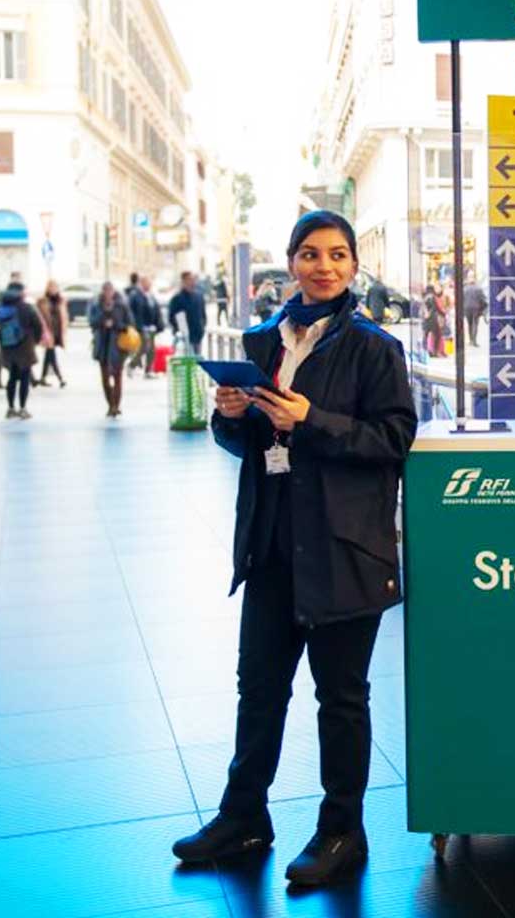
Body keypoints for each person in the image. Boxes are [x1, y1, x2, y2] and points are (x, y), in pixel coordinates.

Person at [172, 210, 416, 887]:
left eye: (337, 255)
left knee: (341, 698)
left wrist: (312, 421)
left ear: (354, 265)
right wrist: (231, 419)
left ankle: (343, 831)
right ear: (291, 262)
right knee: (260, 690)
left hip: (344, 547)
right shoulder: (259, 342)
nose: (324, 266)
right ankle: (243, 815)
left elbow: (393, 441)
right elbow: (249, 445)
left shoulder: (374, 348)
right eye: (310, 254)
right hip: (273, 543)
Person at [0, 282, 43, 420]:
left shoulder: (2, 308)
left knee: (12, 379)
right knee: (25, 378)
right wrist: (35, 341)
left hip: (8, 348)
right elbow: (38, 325)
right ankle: (22, 408)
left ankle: (10, 408)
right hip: (25, 348)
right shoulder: (27, 308)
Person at [89, 282, 134, 418]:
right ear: (102, 292)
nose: (108, 293)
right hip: (102, 345)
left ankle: (116, 406)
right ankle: (110, 404)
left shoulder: (122, 306)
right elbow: (92, 322)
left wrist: (116, 325)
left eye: (110, 290)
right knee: (105, 378)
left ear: (114, 291)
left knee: (117, 376)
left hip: (118, 346)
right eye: (105, 290)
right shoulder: (96, 305)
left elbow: (130, 324)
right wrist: (103, 320)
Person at [35, 280, 69, 389]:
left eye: (55, 287)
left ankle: (42, 377)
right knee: (51, 354)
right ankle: (60, 378)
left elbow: (64, 316)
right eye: (51, 287)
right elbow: (39, 316)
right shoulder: (42, 301)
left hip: (57, 331)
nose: (53, 289)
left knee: (49, 355)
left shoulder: (61, 300)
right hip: (47, 331)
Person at [168, 271, 207, 351]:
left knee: (197, 360)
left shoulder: (199, 297)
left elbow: (203, 315)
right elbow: (172, 317)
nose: (192, 282)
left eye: (193, 279)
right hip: (184, 337)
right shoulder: (177, 299)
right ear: (183, 281)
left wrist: (202, 328)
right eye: (189, 279)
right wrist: (179, 331)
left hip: (197, 335)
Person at [462, 278, 488, 347]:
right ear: (475, 282)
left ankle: (470, 340)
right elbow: (483, 299)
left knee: (469, 324)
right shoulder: (479, 289)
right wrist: (483, 308)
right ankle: (474, 341)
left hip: (467, 308)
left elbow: (462, 299)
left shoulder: (464, 289)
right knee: (475, 324)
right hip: (476, 308)